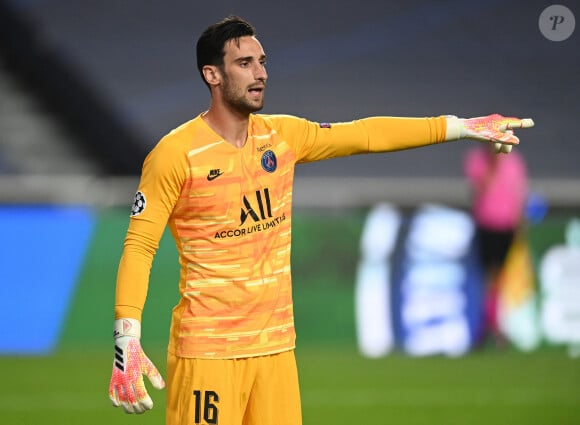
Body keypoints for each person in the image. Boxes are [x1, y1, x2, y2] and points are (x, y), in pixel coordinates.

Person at [107, 15, 534, 425]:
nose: (260, 73)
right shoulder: (174, 154)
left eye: (262, 62)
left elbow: (364, 134)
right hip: (207, 354)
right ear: (212, 75)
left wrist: (460, 126)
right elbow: (140, 246)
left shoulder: (282, 137)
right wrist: (127, 336)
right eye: (244, 63)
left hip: (276, 350)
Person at [463, 142, 529, 345]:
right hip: (486, 223)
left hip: (506, 225)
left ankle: (493, 323)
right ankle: (488, 324)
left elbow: (519, 194)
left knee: (498, 276)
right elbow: (482, 187)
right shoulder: (478, 159)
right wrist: (493, 162)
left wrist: (519, 224)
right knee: (488, 276)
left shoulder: (514, 161)